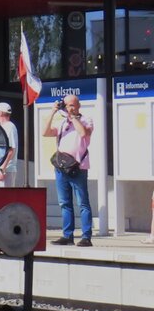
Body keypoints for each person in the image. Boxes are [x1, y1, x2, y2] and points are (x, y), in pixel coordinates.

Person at [43, 94, 93, 246]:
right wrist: (52, 112)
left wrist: (72, 117)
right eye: (67, 105)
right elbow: (45, 132)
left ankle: (86, 236)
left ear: (78, 106)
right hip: (61, 167)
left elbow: (83, 133)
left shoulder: (85, 120)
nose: (69, 108)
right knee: (64, 203)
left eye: (72, 105)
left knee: (82, 202)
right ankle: (67, 235)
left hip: (78, 167)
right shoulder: (62, 122)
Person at [0, 102, 18, 187]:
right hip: (2, 169)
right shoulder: (4, 127)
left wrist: (2, 169)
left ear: (1, 113)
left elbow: (11, 150)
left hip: (6, 169)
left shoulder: (9, 127)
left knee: (6, 197)